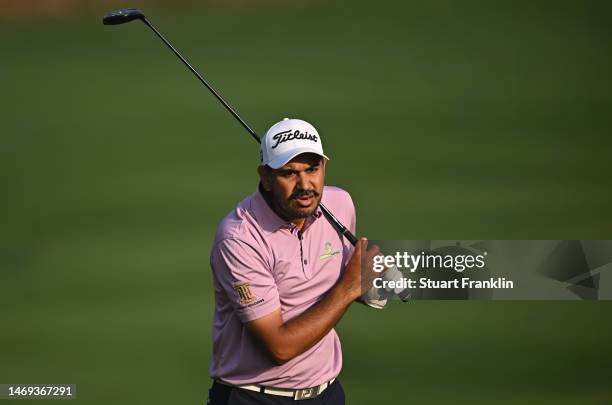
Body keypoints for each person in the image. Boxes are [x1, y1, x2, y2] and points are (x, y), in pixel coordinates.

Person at [207, 118, 380, 405]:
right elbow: (279, 348)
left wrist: (372, 283)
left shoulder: (340, 205)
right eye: (289, 173)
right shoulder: (239, 237)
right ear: (265, 177)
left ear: (324, 167)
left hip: (327, 393)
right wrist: (350, 288)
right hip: (254, 397)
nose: (305, 185)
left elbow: (339, 279)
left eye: (312, 169)